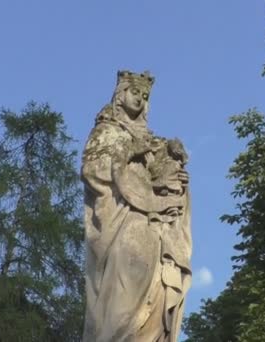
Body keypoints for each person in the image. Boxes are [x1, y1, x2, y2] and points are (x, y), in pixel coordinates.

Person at [82, 70, 192, 342]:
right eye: (135, 93)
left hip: (153, 221)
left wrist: (175, 178)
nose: (141, 100)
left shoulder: (153, 141)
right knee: (124, 293)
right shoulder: (106, 132)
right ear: (120, 95)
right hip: (121, 222)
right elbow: (92, 169)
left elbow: (158, 178)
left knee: (158, 289)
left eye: (145, 96)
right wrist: (130, 151)